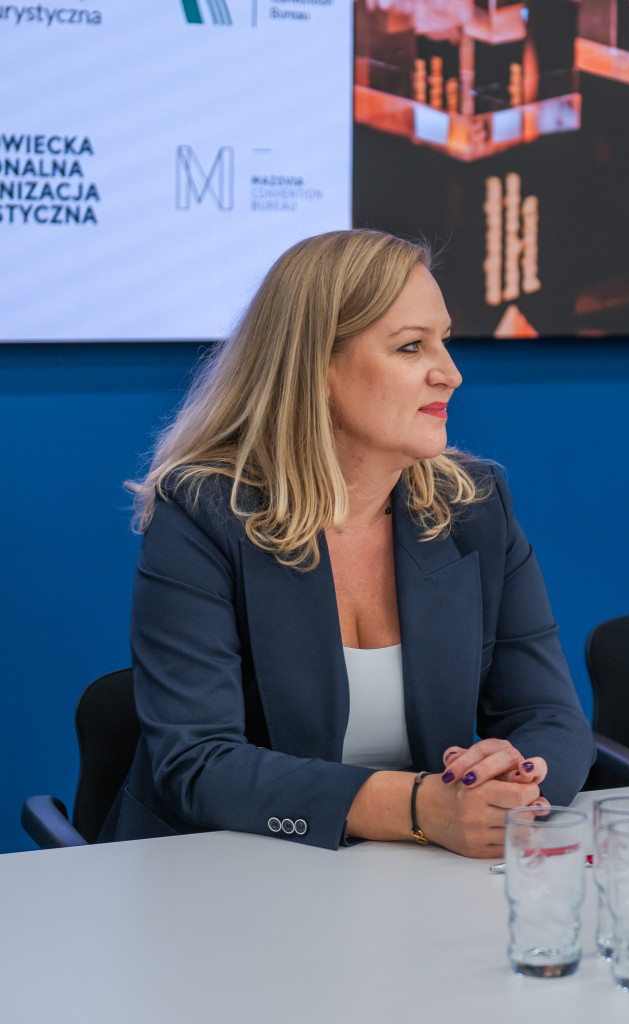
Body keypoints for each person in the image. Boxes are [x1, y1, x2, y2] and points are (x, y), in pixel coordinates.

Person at [101, 228, 594, 857]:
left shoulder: (474, 506)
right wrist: (419, 807)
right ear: (316, 368)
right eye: (411, 347)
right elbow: (199, 763)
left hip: (410, 875)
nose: (451, 374)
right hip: (220, 870)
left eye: (445, 341)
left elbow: (551, 719)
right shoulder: (204, 513)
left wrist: (515, 781)